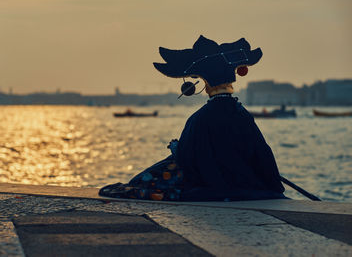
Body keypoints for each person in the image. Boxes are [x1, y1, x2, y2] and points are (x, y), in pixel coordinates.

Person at [99, 35, 286, 201]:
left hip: (207, 181)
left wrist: (176, 149)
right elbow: (262, 154)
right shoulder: (242, 115)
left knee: (140, 182)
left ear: (207, 85)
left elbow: (188, 158)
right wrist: (273, 185)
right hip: (243, 181)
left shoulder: (200, 118)